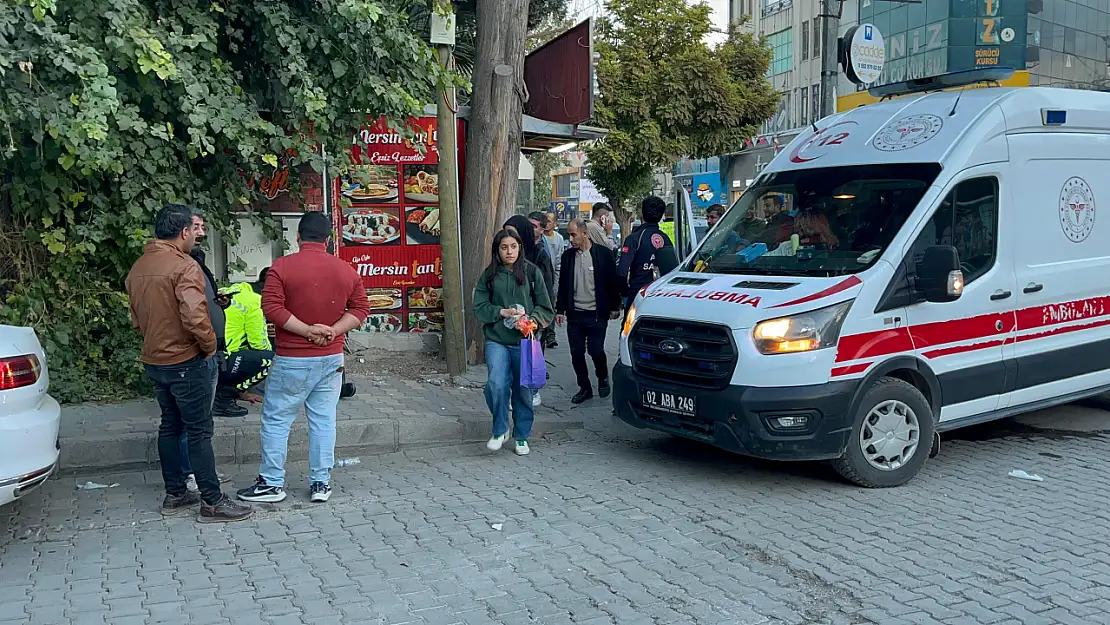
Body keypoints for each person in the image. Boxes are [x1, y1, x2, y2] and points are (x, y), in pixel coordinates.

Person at [125, 204, 252, 523]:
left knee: (170, 424)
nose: (195, 237)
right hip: (187, 359)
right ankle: (212, 501)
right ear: (183, 232)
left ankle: (176, 493)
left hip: (156, 359)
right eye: (192, 231)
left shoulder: (139, 266)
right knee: (198, 430)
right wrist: (209, 347)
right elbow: (195, 316)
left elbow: (136, 319)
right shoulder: (184, 265)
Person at [237, 211, 370, 505]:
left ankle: (272, 484)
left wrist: (306, 331)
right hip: (331, 357)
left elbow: (271, 308)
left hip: (292, 358)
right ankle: (321, 483)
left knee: (276, 420)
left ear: (297, 237)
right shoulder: (346, 270)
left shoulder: (281, 268)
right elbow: (361, 308)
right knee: (324, 420)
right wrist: (332, 331)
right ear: (329, 239)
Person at [473, 229, 554, 457]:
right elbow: (479, 306)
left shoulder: (531, 272)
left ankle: (522, 436)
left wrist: (532, 321)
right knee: (495, 384)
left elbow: (545, 307)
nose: (510, 252)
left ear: (520, 248)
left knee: (524, 390)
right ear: (497, 250)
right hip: (497, 340)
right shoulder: (489, 275)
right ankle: (500, 429)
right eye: (504, 247)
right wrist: (500, 312)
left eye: (514, 247)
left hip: (525, 342)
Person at [555, 218, 621, 404]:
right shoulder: (568, 257)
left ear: (585, 233)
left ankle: (602, 376)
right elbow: (563, 285)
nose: (570, 238)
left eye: (573, 234)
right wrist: (560, 309)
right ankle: (584, 387)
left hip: (597, 314)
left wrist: (615, 306)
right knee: (576, 353)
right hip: (575, 314)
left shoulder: (603, 255)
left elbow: (612, 283)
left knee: (595, 350)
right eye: (569, 234)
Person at [504, 214, 556, 407]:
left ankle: (532, 392)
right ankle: (515, 393)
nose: (508, 237)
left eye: (513, 233)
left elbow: (547, 289)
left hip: (531, 318)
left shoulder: (538, 257)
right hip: (509, 319)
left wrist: (542, 318)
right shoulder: (504, 259)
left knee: (530, 355)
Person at [216, 270, 274, 413]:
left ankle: (223, 392)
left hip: (209, 357)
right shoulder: (254, 301)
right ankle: (225, 397)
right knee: (274, 360)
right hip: (223, 360)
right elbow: (259, 344)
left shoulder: (231, 291)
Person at [618, 195, 680, 316]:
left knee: (629, 331)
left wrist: (625, 293)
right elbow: (673, 271)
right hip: (660, 296)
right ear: (662, 216)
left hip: (637, 295)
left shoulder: (634, 238)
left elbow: (621, 272)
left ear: (642, 214)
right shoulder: (665, 238)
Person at [539, 211, 567, 349]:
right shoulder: (539, 237)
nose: (546, 223)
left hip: (552, 276)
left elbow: (559, 261)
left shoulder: (559, 239)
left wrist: (557, 281)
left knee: (551, 305)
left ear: (555, 223)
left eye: (549, 220)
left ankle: (551, 334)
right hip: (541, 276)